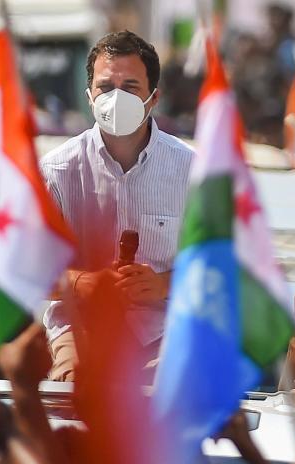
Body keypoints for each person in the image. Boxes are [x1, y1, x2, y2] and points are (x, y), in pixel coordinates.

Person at [40, 30, 194, 381]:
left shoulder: (191, 171)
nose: (116, 97)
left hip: (164, 333)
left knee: (171, 394)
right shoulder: (56, 171)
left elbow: (219, 265)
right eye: (106, 87)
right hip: (79, 329)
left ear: (153, 99)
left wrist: (164, 284)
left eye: (130, 87)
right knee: (74, 393)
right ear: (89, 97)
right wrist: (82, 284)